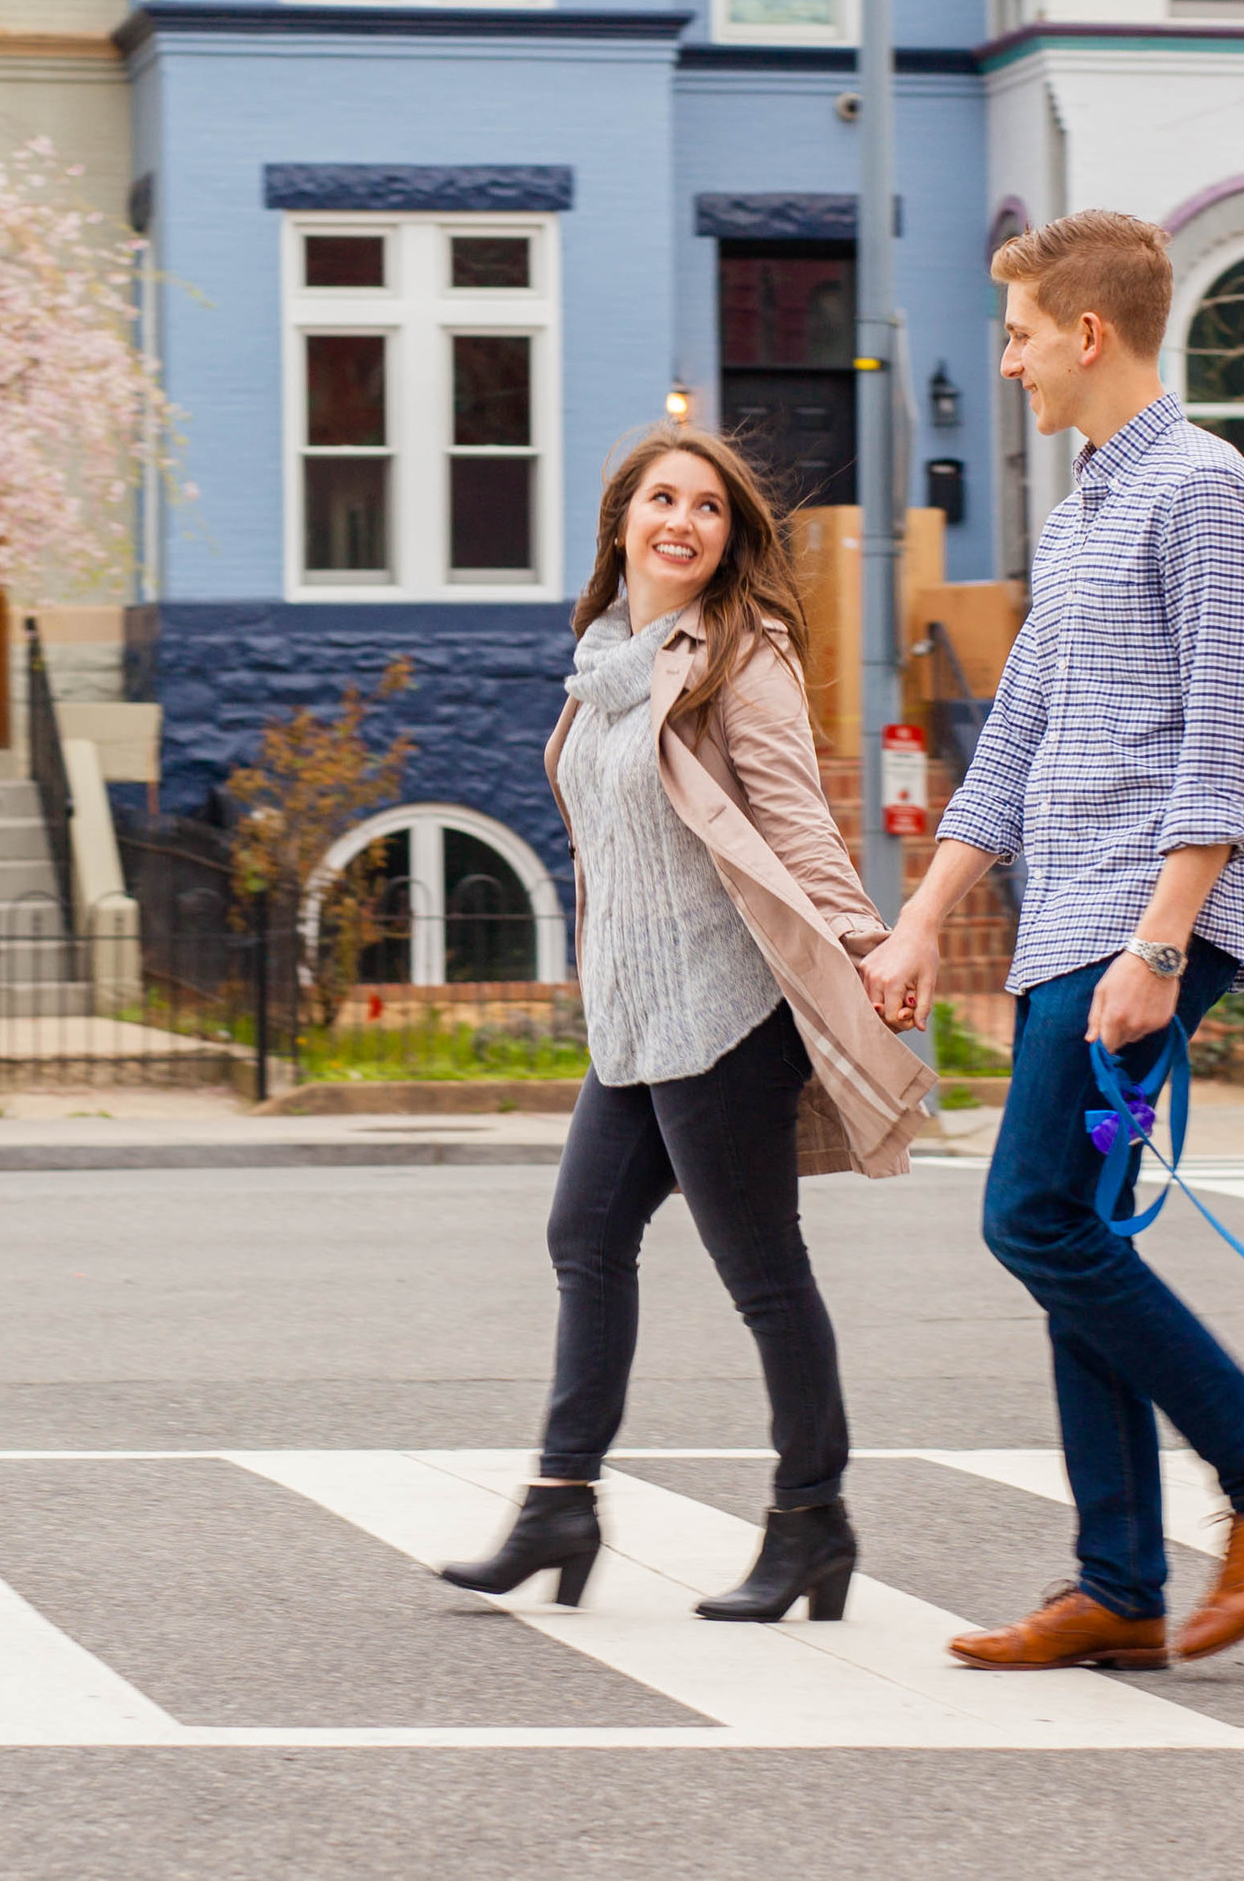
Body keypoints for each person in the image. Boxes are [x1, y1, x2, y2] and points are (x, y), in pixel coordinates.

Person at [859, 208, 1244, 1672]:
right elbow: (1015, 739)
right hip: (1073, 917)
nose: (1003, 361)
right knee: (1072, 1224)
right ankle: (1119, 1581)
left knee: (1036, 1218)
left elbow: (1233, 743)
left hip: (1139, 920)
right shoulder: (1081, 514)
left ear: (1086, 332)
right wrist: (923, 921)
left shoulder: (1205, 493)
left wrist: (1158, 943)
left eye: (1015, 334)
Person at [437, 425, 938, 1624]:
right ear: (622, 522)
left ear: (728, 539)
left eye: (707, 508)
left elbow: (796, 817)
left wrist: (867, 941)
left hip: (725, 1014)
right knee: (584, 1238)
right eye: (662, 499)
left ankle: (812, 1521)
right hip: (634, 1015)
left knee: (763, 1275)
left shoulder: (739, 659)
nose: (683, 521)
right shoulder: (604, 662)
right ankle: (561, 1501)